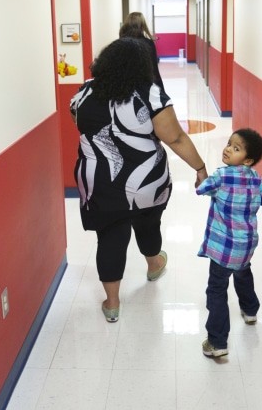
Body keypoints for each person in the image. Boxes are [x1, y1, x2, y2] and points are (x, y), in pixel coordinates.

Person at [70, 37, 208, 323]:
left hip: (100, 181)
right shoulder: (150, 93)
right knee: (147, 223)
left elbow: (80, 124)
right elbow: (175, 137)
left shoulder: (85, 91)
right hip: (146, 181)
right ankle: (154, 263)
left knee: (109, 237)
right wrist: (200, 167)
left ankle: (112, 303)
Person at [195, 128, 262, 357]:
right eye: (229, 144)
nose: (228, 149)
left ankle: (217, 342)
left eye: (236, 148)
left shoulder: (222, 176)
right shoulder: (256, 179)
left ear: (248, 159)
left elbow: (201, 189)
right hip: (246, 247)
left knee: (217, 289)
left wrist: (201, 177)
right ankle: (250, 310)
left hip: (224, 250)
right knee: (243, 274)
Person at [119, 12, 165, 90]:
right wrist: (161, 91)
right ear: (143, 26)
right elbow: (154, 70)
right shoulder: (148, 43)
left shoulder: (120, 44)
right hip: (144, 87)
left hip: (125, 88)